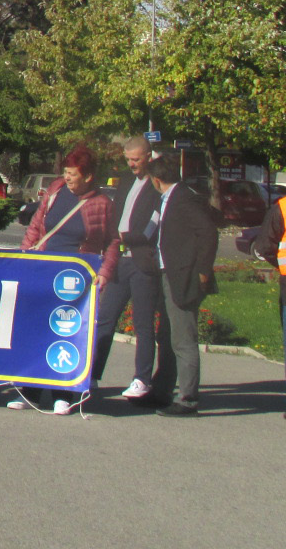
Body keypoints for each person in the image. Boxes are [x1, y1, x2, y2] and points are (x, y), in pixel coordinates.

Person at [9, 145, 119, 415]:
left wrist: (105, 272)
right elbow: (36, 224)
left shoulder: (102, 204)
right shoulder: (56, 190)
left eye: (73, 174)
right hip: (44, 269)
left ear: (89, 176)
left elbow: (113, 241)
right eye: (66, 173)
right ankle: (30, 390)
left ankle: (63, 394)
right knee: (36, 330)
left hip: (76, 279)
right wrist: (25, 254)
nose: (67, 178)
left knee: (65, 331)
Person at [92, 137, 168, 406]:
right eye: (128, 159)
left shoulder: (157, 183)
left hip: (142, 261)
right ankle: (91, 375)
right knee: (104, 319)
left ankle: (142, 379)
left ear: (148, 156)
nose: (132, 164)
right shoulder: (126, 180)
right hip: (119, 261)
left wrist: (130, 238)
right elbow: (117, 213)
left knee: (143, 324)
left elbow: (154, 222)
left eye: (136, 159)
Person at [147, 154, 219, 417]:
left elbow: (208, 231)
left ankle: (188, 399)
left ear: (156, 180)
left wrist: (203, 270)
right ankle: (162, 390)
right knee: (166, 335)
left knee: (183, 339)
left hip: (183, 276)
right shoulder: (170, 197)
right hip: (169, 273)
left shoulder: (183, 197)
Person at [250, 180, 286, 422]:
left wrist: (284, 267)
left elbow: (265, 247)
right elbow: (265, 247)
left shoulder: (284, 207)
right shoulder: (283, 208)